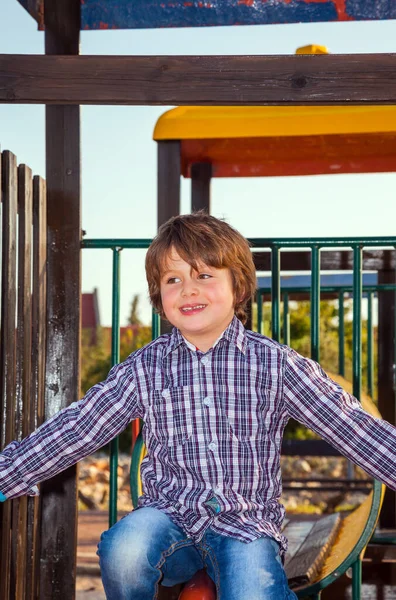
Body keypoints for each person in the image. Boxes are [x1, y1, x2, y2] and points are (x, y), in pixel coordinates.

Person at [1, 212, 396, 600]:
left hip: (246, 524)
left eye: (204, 275)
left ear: (238, 287)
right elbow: (79, 427)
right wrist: (7, 474)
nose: (188, 290)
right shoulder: (146, 367)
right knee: (124, 550)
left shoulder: (276, 365)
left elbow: (351, 426)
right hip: (169, 516)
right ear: (160, 298)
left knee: (253, 591)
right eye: (173, 280)